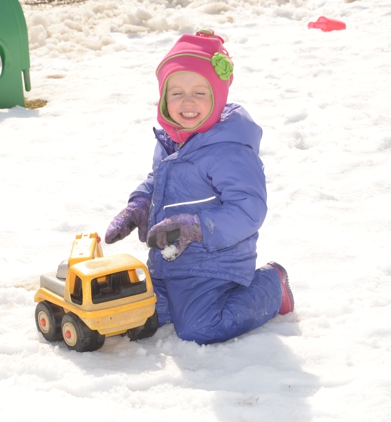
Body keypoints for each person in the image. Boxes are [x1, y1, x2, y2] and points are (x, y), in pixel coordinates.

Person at [105, 29, 294, 345]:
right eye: (176, 93)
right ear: (164, 99)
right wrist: (139, 204)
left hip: (215, 265)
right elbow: (158, 181)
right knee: (138, 314)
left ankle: (272, 285)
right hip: (168, 261)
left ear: (217, 97)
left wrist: (197, 228)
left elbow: (249, 209)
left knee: (198, 327)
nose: (187, 102)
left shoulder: (229, 151)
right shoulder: (172, 140)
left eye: (199, 93)